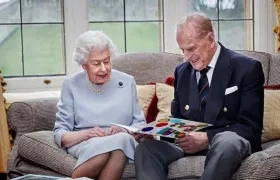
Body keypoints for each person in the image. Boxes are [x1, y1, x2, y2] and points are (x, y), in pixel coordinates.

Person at [134, 12, 264, 180]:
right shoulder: (182, 71)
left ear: (210, 38)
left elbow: (251, 128)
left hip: (227, 145)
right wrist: (155, 135)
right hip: (186, 147)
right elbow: (177, 121)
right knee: (146, 149)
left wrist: (207, 138)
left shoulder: (247, 68)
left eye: (191, 48)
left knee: (227, 141)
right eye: (182, 50)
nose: (187, 57)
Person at [53, 30, 149, 180]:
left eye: (107, 61)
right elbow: (61, 134)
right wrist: (87, 134)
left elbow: (139, 124)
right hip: (85, 142)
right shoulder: (71, 84)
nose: (104, 68)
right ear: (84, 65)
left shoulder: (127, 81)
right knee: (113, 147)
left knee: (121, 142)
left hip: (122, 140)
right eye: (96, 63)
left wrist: (125, 130)